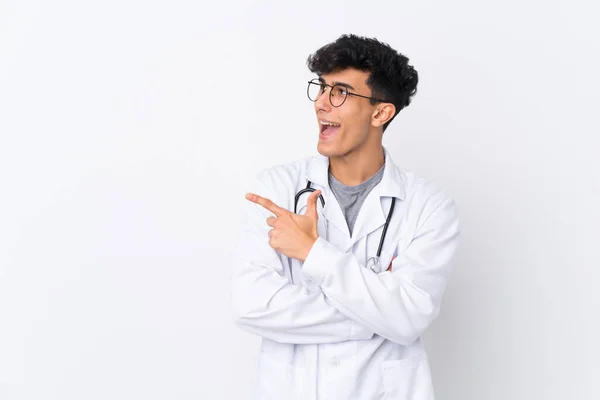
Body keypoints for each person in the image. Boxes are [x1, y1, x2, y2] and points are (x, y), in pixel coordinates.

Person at [231, 34, 460, 400]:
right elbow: (251, 306)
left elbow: (410, 318)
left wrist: (312, 252)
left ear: (380, 112)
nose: (321, 103)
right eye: (321, 88)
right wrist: (377, 314)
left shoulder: (428, 206)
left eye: (339, 91)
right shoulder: (276, 188)